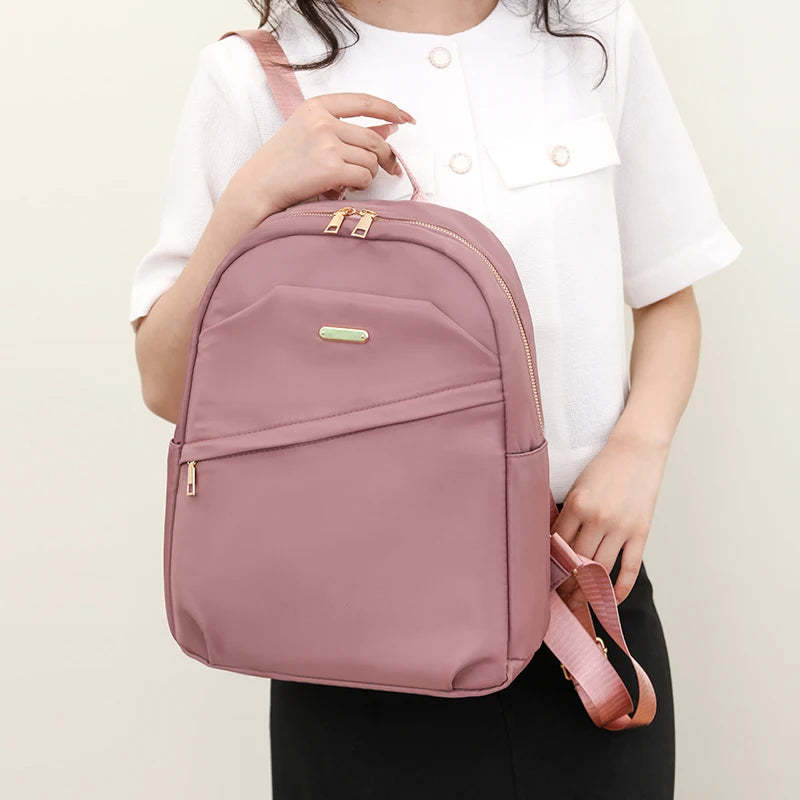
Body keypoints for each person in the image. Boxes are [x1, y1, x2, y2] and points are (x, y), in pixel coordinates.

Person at [131, 1, 741, 797]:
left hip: (581, 600)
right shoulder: (252, 74)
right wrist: (250, 200)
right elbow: (166, 383)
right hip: (349, 634)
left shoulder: (592, 36)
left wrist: (638, 450)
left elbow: (667, 298)